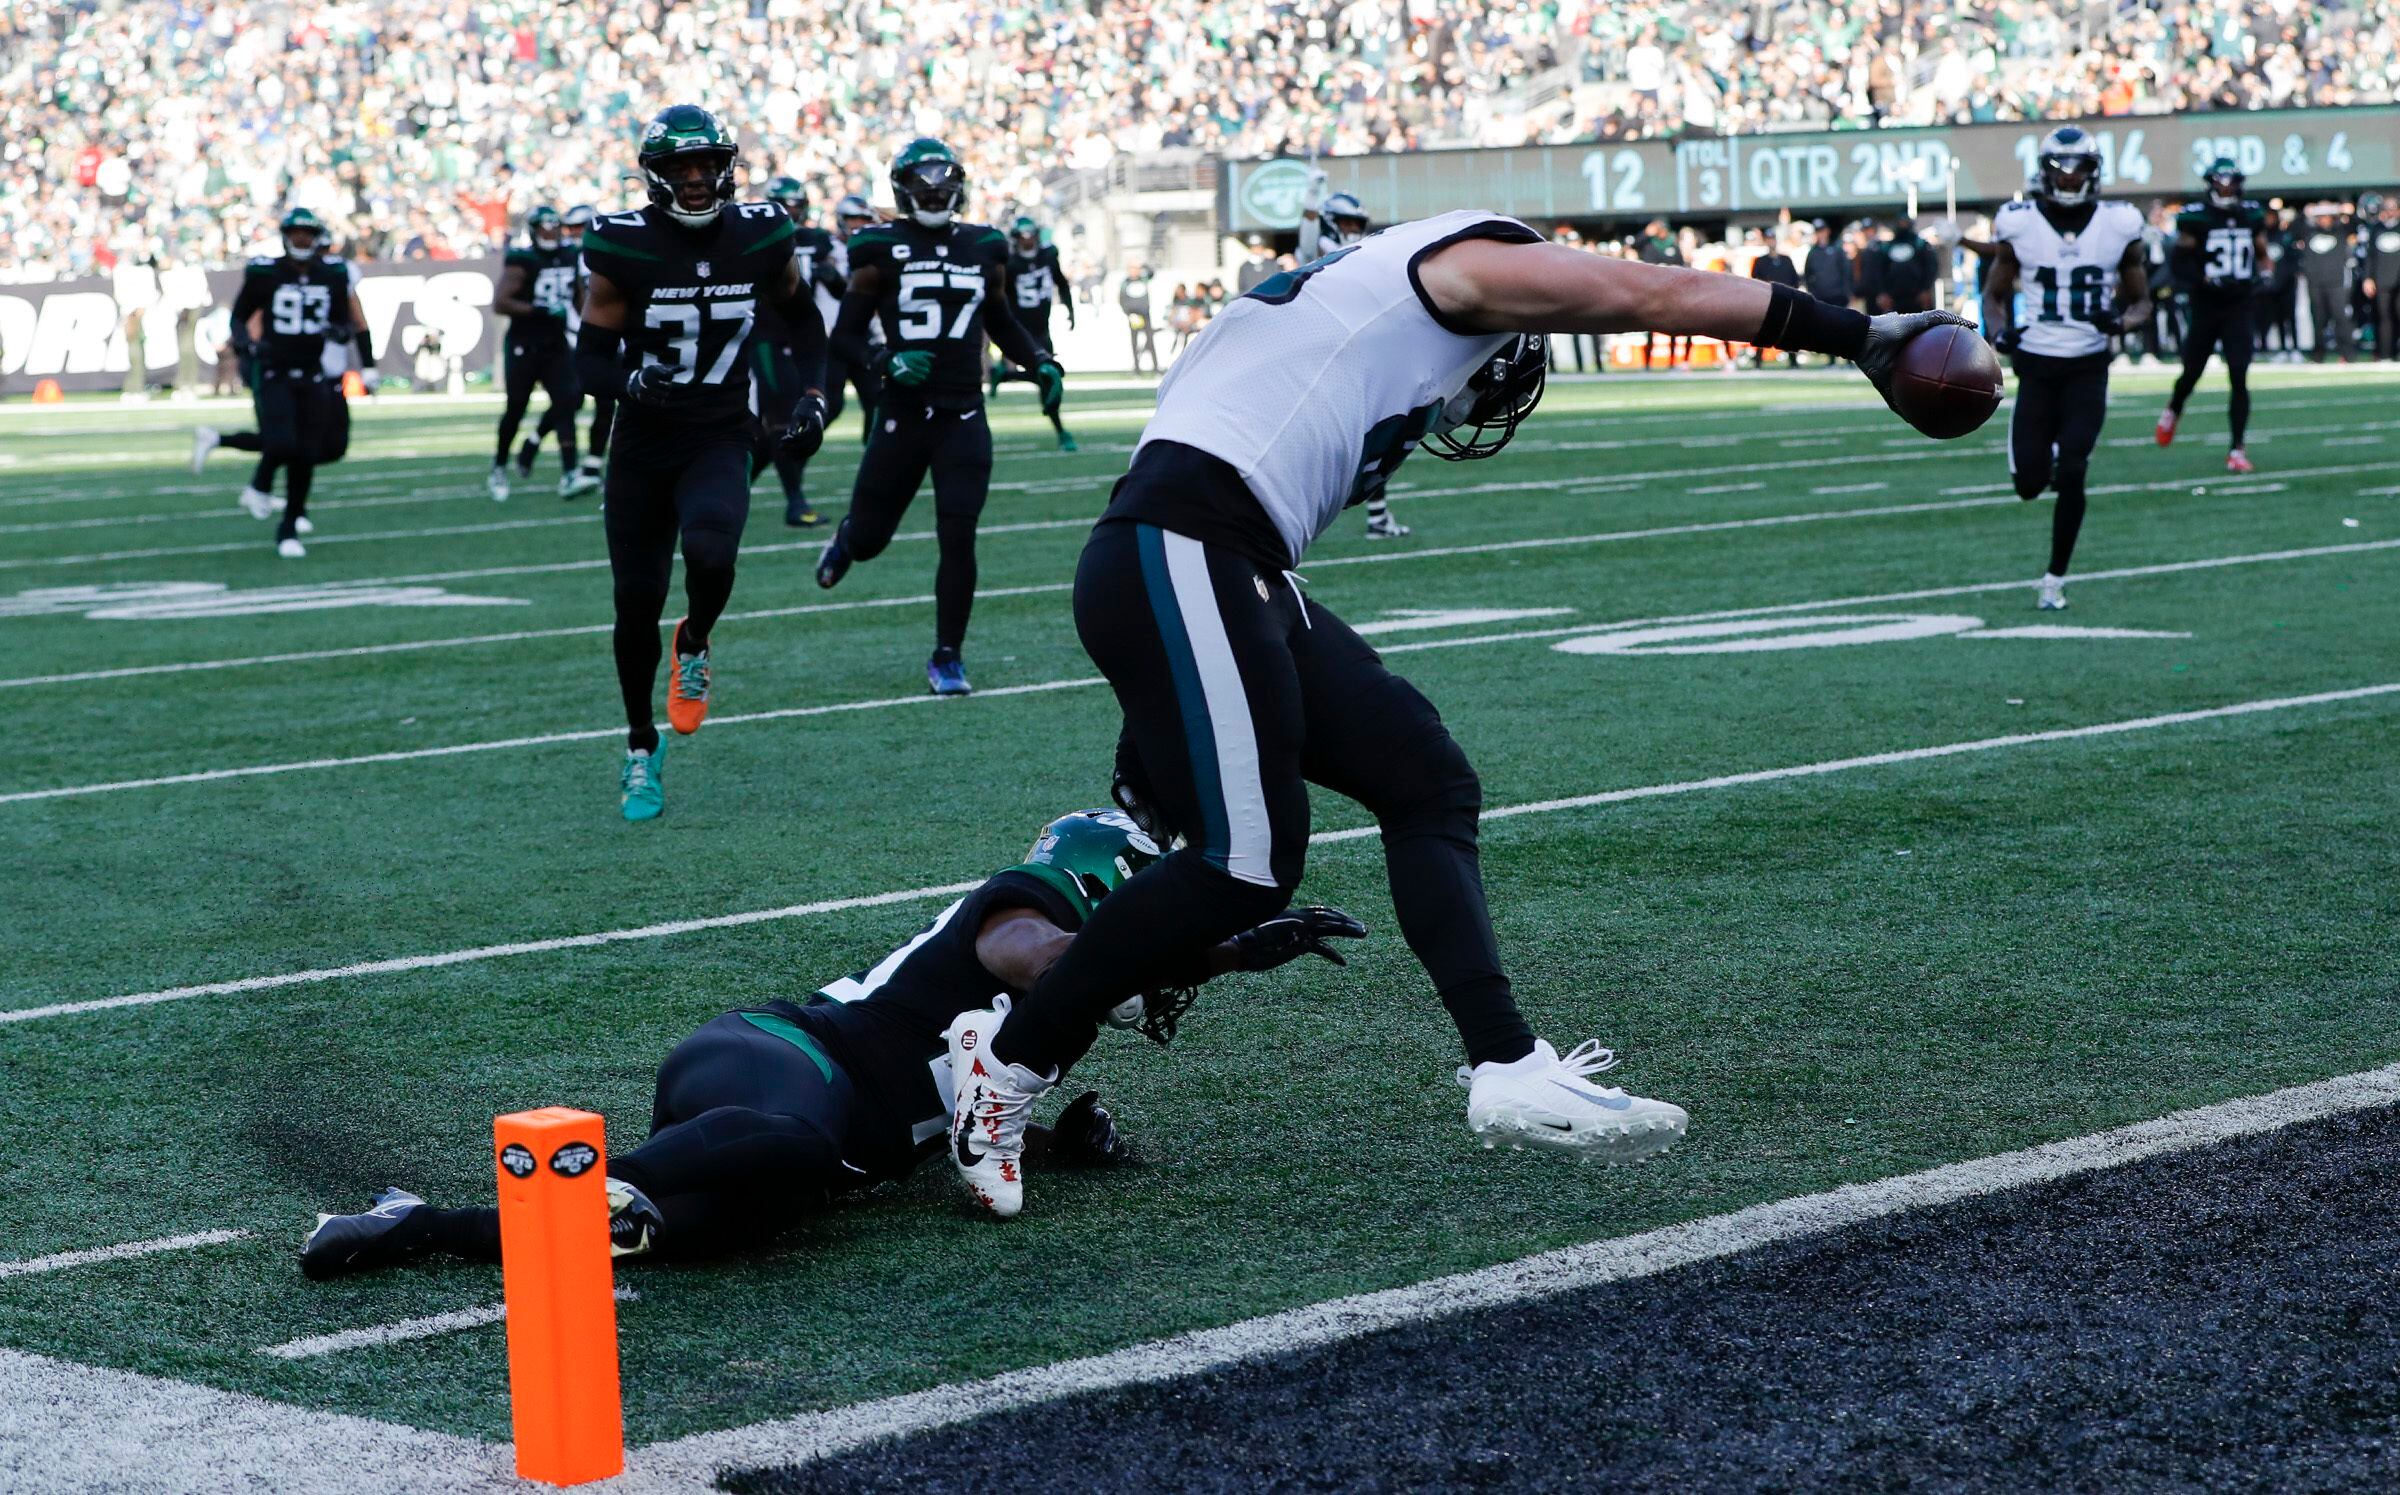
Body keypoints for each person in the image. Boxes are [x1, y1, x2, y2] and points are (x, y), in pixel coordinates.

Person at [937, 208, 1967, 1218]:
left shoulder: (1325, 307)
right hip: (1187, 548)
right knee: (1243, 863)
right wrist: (1861, 336)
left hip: (1213, 557)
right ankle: (1009, 1063)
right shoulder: (1463, 266)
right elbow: (1654, 292)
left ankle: (1508, 1060)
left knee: (1423, 776)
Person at [299, 810, 1367, 1274]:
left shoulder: (1074, 998)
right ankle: (564, 1171)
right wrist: (1192, 948)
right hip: (781, 1056)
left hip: (812, 1134)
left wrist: (1061, 1133)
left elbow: (961, 1099)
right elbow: (1036, 959)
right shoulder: (1035, 906)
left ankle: (420, 1224)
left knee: (693, 1239)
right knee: (799, 1152)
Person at [573, 105, 830, 822]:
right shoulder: (622, 246)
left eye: (705, 165)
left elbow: (803, 319)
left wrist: (812, 392)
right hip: (643, 443)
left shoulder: (761, 233)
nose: (694, 179)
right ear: (655, 175)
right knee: (635, 600)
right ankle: (638, 745)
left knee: (712, 554)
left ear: (726, 167)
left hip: (720, 430)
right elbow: (589, 359)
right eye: (679, 168)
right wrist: (627, 382)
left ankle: (696, 639)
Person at [813, 138, 1063, 699]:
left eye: (943, 181)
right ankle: (848, 539)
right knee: (873, 538)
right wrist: (886, 360)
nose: (934, 191)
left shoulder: (984, 246)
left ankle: (948, 654)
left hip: (964, 413)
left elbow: (999, 319)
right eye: (923, 183)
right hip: (903, 412)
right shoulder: (878, 246)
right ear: (902, 189)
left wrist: (1040, 361)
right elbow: (846, 335)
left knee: (959, 532)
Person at [1981, 127, 2151, 613]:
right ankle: (2045, 461)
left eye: (2079, 168)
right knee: (2030, 485)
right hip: (2035, 364)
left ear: (2094, 173)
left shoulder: (2120, 224)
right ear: (2045, 170)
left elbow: (2141, 302)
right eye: (2061, 167)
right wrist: (2000, 332)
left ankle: (2055, 578)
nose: (2070, 177)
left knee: (2074, 468)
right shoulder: (2019, 222)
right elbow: (1995, 294)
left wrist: (2119, 322)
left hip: (2088, 366)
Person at [188, 207, 369, 559]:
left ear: (316, 238)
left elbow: (345, 323)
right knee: (283, 441)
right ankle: (259, 485)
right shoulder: (265, 273)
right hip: (274, 370)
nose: (301, 239)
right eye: (296, 233)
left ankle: (289, 526)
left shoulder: (332, 275)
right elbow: (239, 317)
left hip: (313, 372)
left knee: (307, 452)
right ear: (286, 236)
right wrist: (247, 345)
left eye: (307, 233)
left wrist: (339, 332)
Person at [1299, 175, 1408, 538]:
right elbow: (1307, 238)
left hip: (1362, 353)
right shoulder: (1322, 251)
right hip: (1323, 354)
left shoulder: (1368, 256)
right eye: (1345, 223)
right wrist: (1311, 198)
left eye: (1355, 224)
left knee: (1380, 434)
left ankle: (1378, 517)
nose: (1352, 230)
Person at [2157, 158, 2270, 473]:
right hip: (2207, 304)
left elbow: (2262, 254)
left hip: (2239, 303)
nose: (2226, 187)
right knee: (2191, 373)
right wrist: (2202, 279)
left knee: (2239, 374)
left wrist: (2265, 274)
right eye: (2220, 181)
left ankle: (2237, 448)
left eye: (2231, 181)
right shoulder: (2197, 218)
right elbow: (2179, 262)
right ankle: (2174, 407)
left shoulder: (2251, 215)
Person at [752, 177, 846, 527]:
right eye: (784, 205)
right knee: (779, 415)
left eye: (796, 205)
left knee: (828, 404)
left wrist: (833, 278)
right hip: (765, 336)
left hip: (804, 334)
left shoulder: (817, 240)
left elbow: (841, 291)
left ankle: (741, 481)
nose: (791, 212)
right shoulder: (753, 240)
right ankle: (795, 502)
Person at [488, 205, 592, 502]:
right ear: (534, 229)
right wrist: (539, 310)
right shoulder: (523, 258)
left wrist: (590, 328)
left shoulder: (571, 255)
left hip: (555, 342)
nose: (550, 232)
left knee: (567, 401)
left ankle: (570, 472)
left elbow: (579, 297)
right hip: (524, 343)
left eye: (553, 226)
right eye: (544, 227)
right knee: (517, 408)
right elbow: (502, 303)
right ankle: (499, 466)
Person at [989, 214, 1078, 451]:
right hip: (1020, 329)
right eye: (1023, 237)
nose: (1028, 241)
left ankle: (1004, 375)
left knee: (1048, 378)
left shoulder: (1048, 256)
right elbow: (999, 298)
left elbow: (1062, 283)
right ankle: (1061, 432)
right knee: (1047, 378)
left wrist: (1071, 310)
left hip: (1042, 328)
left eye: (1031, 236)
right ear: (1016, 238)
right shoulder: (1009, 263)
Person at [561, 204, 617, 491]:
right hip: (578, 336)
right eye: (570, 228)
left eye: (579, 227)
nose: (574, 234)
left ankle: (593, 465)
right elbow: (579, 297)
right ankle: (563, 462)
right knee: (572, 399)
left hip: (606, 336)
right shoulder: (571, 257)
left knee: (607, 403)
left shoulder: (608, 252)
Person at [825, 194, 886, 444]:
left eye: (864, 220)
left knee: (876, 399)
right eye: (853, 220)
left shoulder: (873, 251)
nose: (858, 226)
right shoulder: (825, 247)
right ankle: (791, 455)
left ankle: (875, 457)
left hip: (862, 334)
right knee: (831, 404)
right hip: (829, 336)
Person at [2296, 205, 2358, 362]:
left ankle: (2348, 354)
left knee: (2341, 318)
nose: (2324, 219)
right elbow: (2292, 230)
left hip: (2336, 282)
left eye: (2327, 216)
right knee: (2318, 320)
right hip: (2315, 282)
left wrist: (2343, 211)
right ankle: (2318, 355)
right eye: (2321, 216)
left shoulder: (2339, 231)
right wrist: (2305, 213)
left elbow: (2354, 225)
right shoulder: (2309, 232)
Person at [1747, 230, 1801, 368]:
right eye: (1769, 239)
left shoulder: (1786, 260)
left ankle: (1793, 361)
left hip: (1786, 300)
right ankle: (1758, 362)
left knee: (1788, 331)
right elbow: (1755, 281)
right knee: (1764, 330)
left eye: (1773, 238)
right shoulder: (1761, 261)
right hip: (1768, 300)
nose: (1771, 241)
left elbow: (1794, 280)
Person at [2359, 193, 2400, 360]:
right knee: (2384, 317)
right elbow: (2370, 256)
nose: (2389, 212)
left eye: (2393, 209)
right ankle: (2385, 353)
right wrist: (2368, 278)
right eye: (2387, 209)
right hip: (2382, 279)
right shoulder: (2376, 229)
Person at [1120, 263, 1159, 374]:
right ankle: (1137, 368)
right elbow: (1122, 299)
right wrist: (1128, 313)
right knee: (1135, 342)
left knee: (1150, 340)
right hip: (1134, 316)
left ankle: (1155, 367)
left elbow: (1152, 272)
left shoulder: (1143, 279)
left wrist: (1143, 265)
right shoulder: (1125, 282)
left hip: (1145, 314)